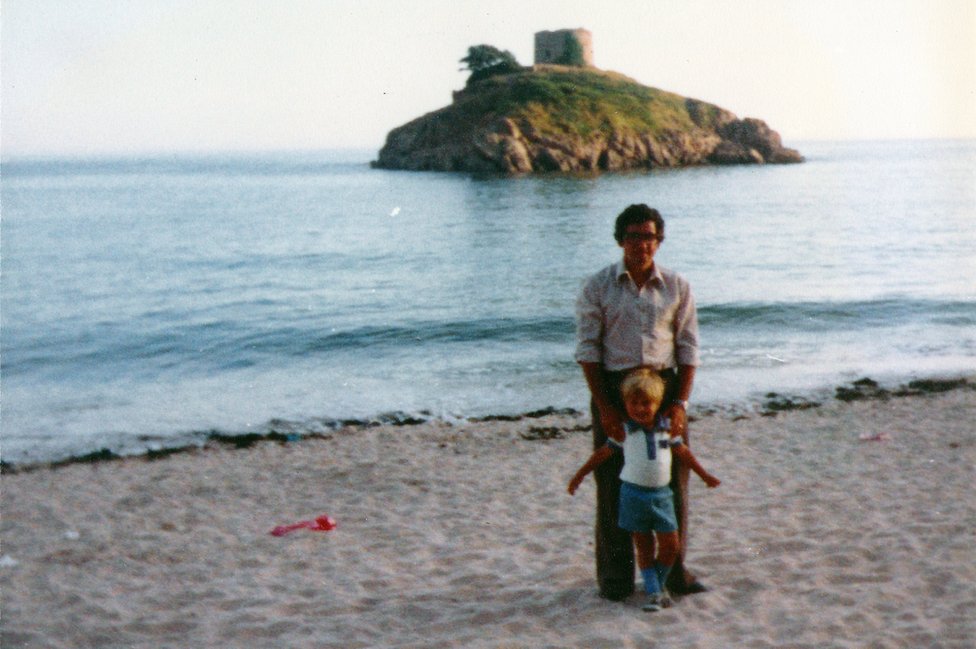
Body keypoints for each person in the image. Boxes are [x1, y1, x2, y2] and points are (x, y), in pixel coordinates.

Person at [574, 203, 705, 601]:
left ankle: (674, 575)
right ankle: (615, 580)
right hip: (615, 388)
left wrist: (680, 403)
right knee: (613, 482)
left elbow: (688, 348)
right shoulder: (598, 286)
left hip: (664, 387)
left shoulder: (677, 286)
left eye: (648, 237)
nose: (641, 244)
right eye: (633, 236)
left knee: (672, 480)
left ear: (659, 241)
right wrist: (605, 407)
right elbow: (587, 350)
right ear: (620, 240)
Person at [568, 370, 720, 610]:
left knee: (671, 546)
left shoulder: (667, 428)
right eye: (634, 403)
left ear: (658, 403)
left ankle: (656, 584)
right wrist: (579, 475)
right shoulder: (624, 431)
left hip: (662, 496)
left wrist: (705, 475)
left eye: (646, 403)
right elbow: (601, 454)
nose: (640, 408)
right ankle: (654, 592)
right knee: (644, 548)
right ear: (625, 404)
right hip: (633, 496)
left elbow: (683, 453)